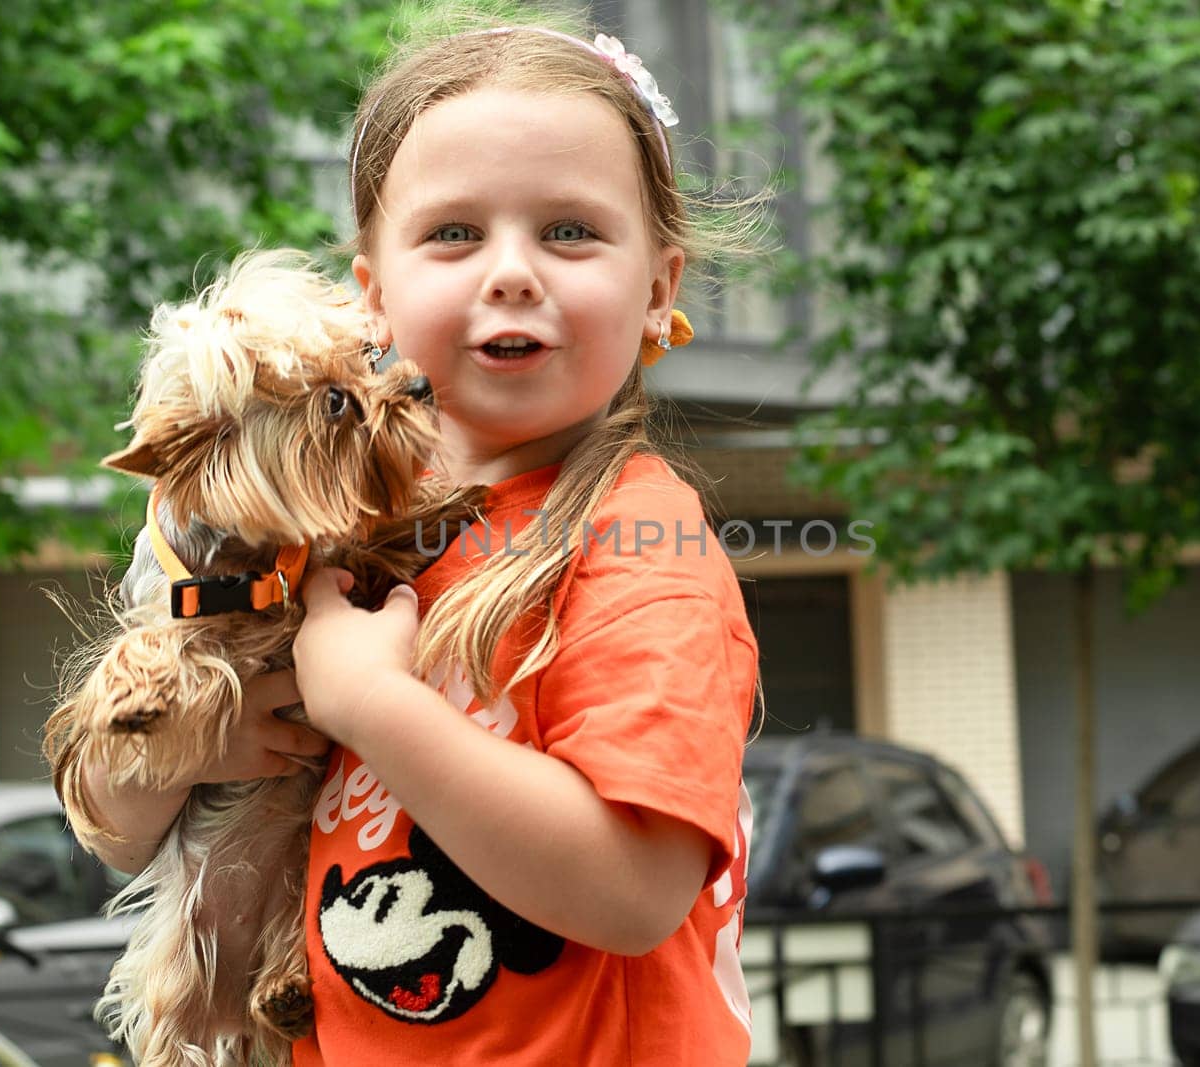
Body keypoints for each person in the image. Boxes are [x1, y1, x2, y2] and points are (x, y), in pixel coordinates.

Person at [68, 7, 760, 1065]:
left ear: (660, 286)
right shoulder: (329, 527)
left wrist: (373, 704)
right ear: (372, 295)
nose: (512, 271)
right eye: (454, 233)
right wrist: (187, 743)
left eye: (570, 229)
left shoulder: (638, 542)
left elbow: (631, 890)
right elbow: (115, 831)